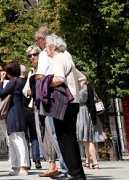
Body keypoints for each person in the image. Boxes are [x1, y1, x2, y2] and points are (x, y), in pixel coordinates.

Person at [46, 34, 87, 180]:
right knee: (69, 138)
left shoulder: (57, 59)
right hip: (72, 102)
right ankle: (76, 173)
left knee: (65, 139)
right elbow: (82, 78)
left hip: (63, 103)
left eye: (47, 46)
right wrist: (74, 90)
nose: (46, 49)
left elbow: (58, 78)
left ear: (54, 47)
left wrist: (45, 84)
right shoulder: (67, 59)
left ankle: (74, 174)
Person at [33, 27, 67, 178]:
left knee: (56, 133)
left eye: (37, 40)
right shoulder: (65, 54)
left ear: (43, 40)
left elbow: (40, 76)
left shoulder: (45, 55)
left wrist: (42, 82)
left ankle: (66, 168)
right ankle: (68, 167)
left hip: (53, 98)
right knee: (64, 133)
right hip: (66, 97)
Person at [0, 62, 28, 175]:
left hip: (13, 112)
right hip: (20, 111)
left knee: (16, 139)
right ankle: (17, 165)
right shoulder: (21, 81)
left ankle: (22, 166)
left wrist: (1, 81)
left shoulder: (13, 82)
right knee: (19, 139)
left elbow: (1, 94)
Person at [76, 83, 105, 169]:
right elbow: (95, 98)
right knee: (87, 139)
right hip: (90, 113)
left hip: (80, 112)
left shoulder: (77, 88)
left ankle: (95, 162)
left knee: (88, 139)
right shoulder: (89, 87)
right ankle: (87, 161)